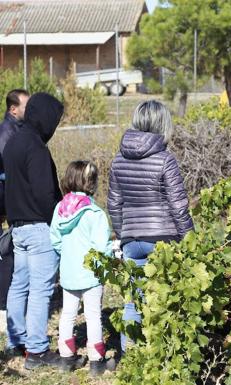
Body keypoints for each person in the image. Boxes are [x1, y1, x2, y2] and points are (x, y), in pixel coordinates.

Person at [108, 100, 194, 353]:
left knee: (133, 302)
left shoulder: (118, 160)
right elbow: (178, 206)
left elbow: (114, 204)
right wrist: (189, 238)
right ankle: (162, 356)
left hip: (131, 241)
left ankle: (130, 356)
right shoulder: (165, 159)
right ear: (163, 124)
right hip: (162, 239)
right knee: (165, 299)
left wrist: (122, 236)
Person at [3, 92, 64, 368]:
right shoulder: (36, 147)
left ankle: (16, 341)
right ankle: (37, 350)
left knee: (20, 284)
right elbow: (43, 193)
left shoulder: (13, 142)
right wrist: (60, 219)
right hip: (39, 228)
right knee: (40, 289)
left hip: (17, 227)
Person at [50, 160, 116, 375]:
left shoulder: (60, 209)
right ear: (91, 184)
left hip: (69, 273)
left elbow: (55, 240)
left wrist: (68, 256)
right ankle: (97, 361)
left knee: (68, 314)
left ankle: (66, 358)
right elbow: (102, 247)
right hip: (91, 274)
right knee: (93, 315)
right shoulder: (94, 213)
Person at [0, 89, 29, 337]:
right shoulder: (7, 134)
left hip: (8, 200)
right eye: (25, 106)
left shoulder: (15, 130)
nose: (28, 111)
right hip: (5, 201)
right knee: (7, 250)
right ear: (13, 109)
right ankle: (3, 306)